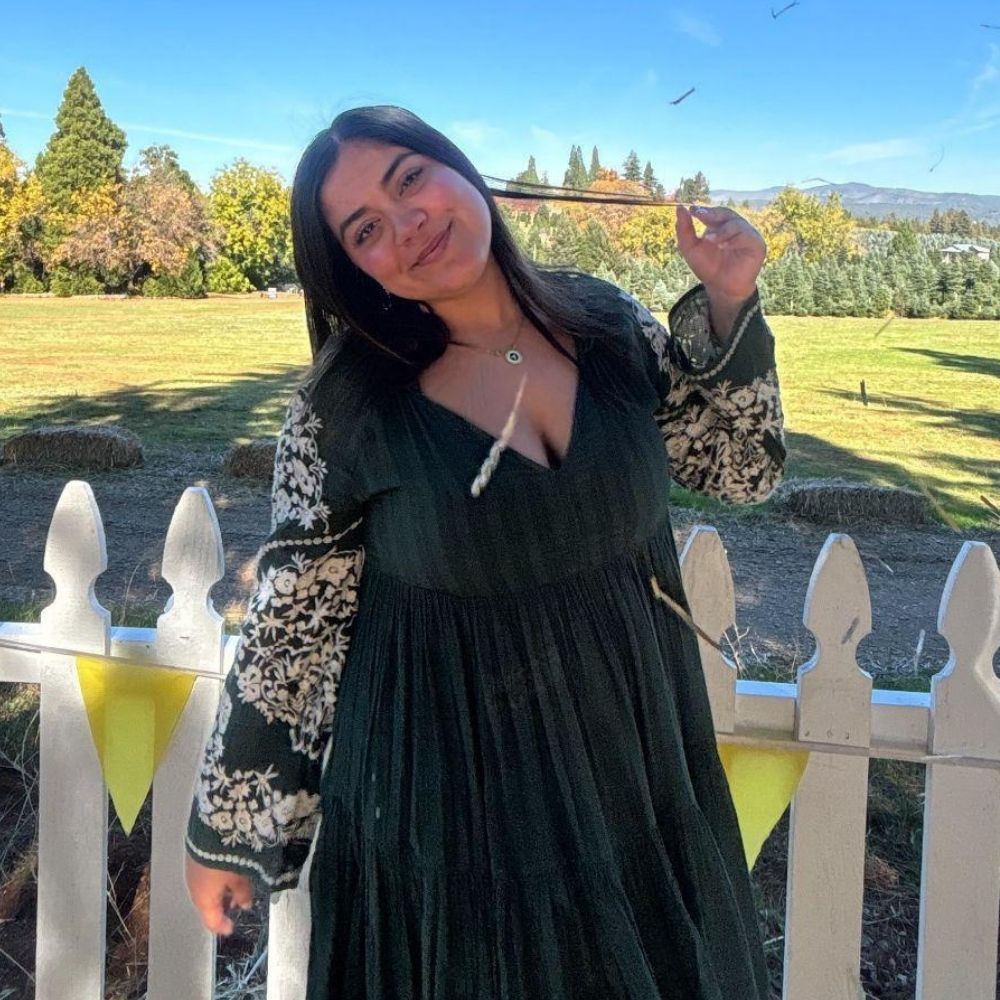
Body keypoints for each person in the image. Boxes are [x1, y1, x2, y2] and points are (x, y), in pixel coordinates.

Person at [184, 104, 785, 1000]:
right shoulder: (341, 411)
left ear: (457, 169)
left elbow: (737, 467)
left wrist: (732, 297)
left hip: (639, 766)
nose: (407, 225)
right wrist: (228, 835)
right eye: (365, 229)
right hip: (455, 808)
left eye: (409, 180)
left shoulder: (607, 324)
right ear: (354, 269)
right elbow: (291, 632)